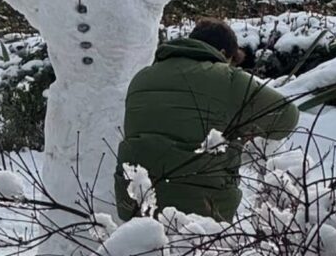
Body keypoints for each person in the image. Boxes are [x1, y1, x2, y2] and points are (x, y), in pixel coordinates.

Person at [114, 18, 300, 222]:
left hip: (134, 201)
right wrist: (243, 129)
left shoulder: (142, 77)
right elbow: (287, 117)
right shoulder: (226, 77)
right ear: (223, 53)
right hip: (202, 206)